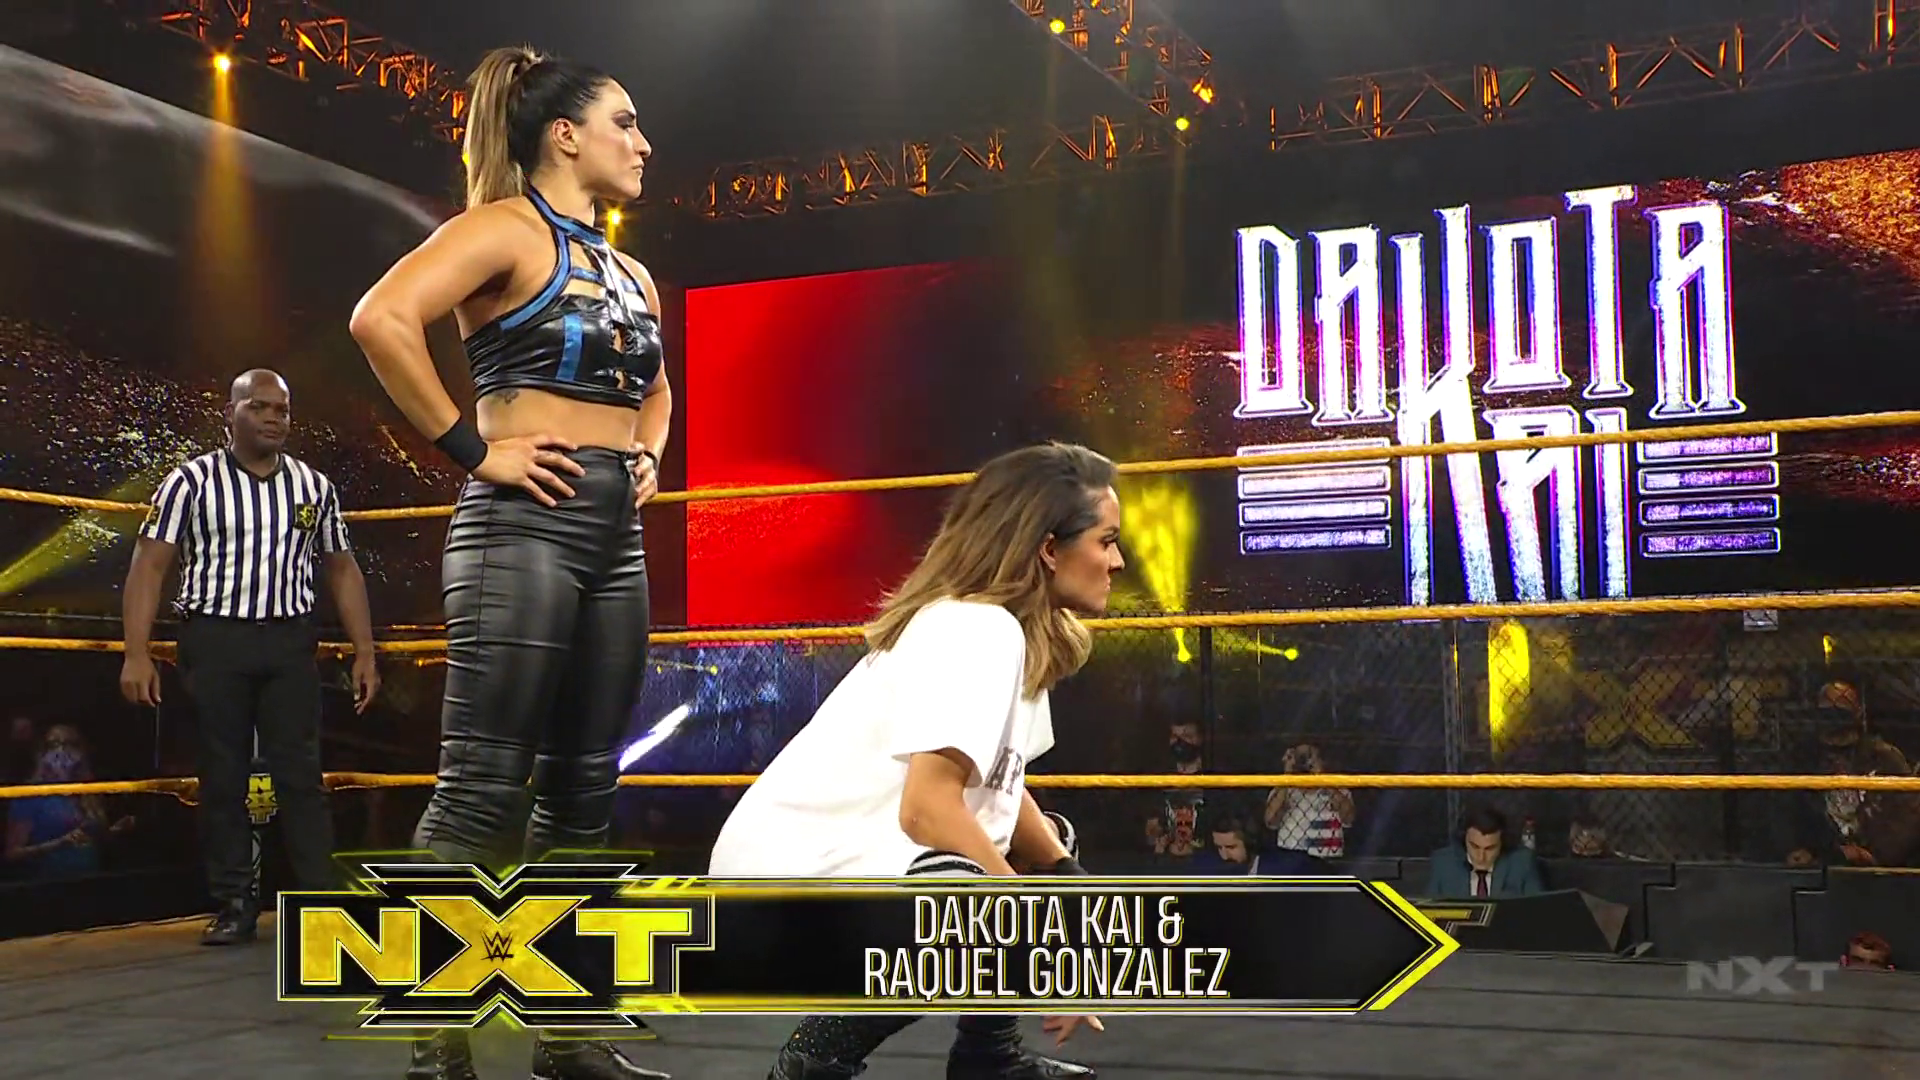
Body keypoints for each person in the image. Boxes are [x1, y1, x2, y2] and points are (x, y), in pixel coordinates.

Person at [348, 43, 669, 1080]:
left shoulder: (630, 271)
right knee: (483, 789)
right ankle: (434, 1045)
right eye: (625, 122)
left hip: (613, 537)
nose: (643, 143)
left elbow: (656, 387)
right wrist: (472, 449)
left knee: (583, 791)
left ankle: (566, 1039)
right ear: (565, 135)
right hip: (520, 530)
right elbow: (381, 319)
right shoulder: (501, 230)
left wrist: (650, 451)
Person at [710, 442, 1123, 1080]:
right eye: (1106, 541)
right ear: (1048, 548)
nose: (1117, 561)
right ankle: (813, 1061)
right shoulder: (977, 629)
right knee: (961, 879)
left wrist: (1070, 883)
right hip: (785, 889)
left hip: (834, 878)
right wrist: (1043, 944)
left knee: (1035, 849)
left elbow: (1001, 791)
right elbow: (928, 811)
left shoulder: (1012, 631)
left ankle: (989, 1058)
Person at [120, 369, 380, 943]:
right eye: (259, 407)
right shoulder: (190, 482)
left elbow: (342, 568)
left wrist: (365, 651)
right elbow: (149, 565)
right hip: (216, 639)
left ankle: (320, 905)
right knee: (222, 774)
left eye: (281, 410)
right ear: (231, 413)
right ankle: (235, 902)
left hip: (289, 640)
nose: (273, 418)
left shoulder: (313, 486)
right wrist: (135, 653)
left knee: (302, 775)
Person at [4, 724, 134, 879]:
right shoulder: (30, 795)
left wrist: (114, 831)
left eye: (70, 744)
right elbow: (12, 854)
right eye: (53, 744)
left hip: (91, 881)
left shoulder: (88, 793)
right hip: (47, 884)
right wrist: (60, 843)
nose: (61, 751)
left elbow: (91, 841)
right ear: (42, 753)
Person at [1421, 805, 1545, 898]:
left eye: (1490, 848)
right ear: (1464, 839)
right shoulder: (1442, 863)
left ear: (1503, 843)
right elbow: (1429, 915)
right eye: (1474, 847)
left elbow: (1535, 913)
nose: (1481, 857)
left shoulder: (1523, 863)